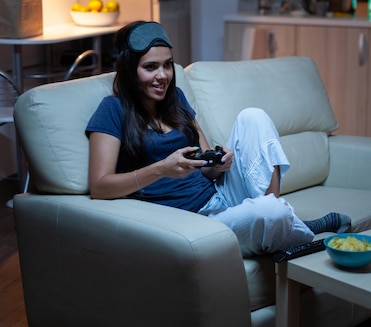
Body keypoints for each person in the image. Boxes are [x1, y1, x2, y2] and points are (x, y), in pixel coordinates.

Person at [85, 20, 351, 257]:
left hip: (219, 196)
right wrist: (161, 169)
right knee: (271, 213)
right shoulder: (113, 109)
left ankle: (276, 222)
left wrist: (217, 164)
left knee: (253, 117)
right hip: (188, 221)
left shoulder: (175, 98)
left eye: (167, 65)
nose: (163, 75)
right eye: (150, 67)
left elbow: (205, 166)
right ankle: (292, 224)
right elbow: (99, 186)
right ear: (130, 71)